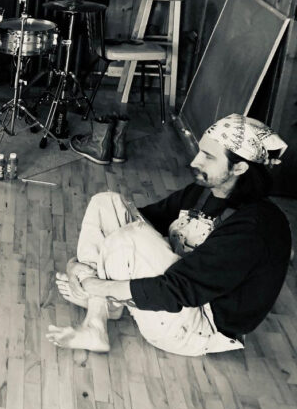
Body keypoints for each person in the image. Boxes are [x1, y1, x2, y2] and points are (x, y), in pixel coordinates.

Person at [47, 114, 290, 356]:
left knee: (131, 238)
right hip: (172, 292)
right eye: (200, 151)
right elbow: (133, 222)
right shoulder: (205, 190)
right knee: (106, 204)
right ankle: (102, 307)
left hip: (196, 325)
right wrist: (74, 266)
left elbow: (177, 289)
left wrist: (93, 284)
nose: (195, 162)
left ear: (239, 167)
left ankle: (96, 319)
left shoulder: (256, 227)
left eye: (208, 156)